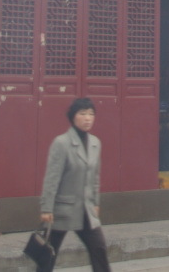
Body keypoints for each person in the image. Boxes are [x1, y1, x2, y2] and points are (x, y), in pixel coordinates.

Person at [39, 97, 111, 272]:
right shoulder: (61, 143)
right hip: (62, 209)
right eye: (83, 114)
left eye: (91, 114)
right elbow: (52, 178)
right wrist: (46, 208)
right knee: (49, 253)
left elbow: (95, 176)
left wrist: (95, 202)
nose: (87, 118)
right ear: (73, 117)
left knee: (99, 247)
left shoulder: (95, 143)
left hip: (86, 209)